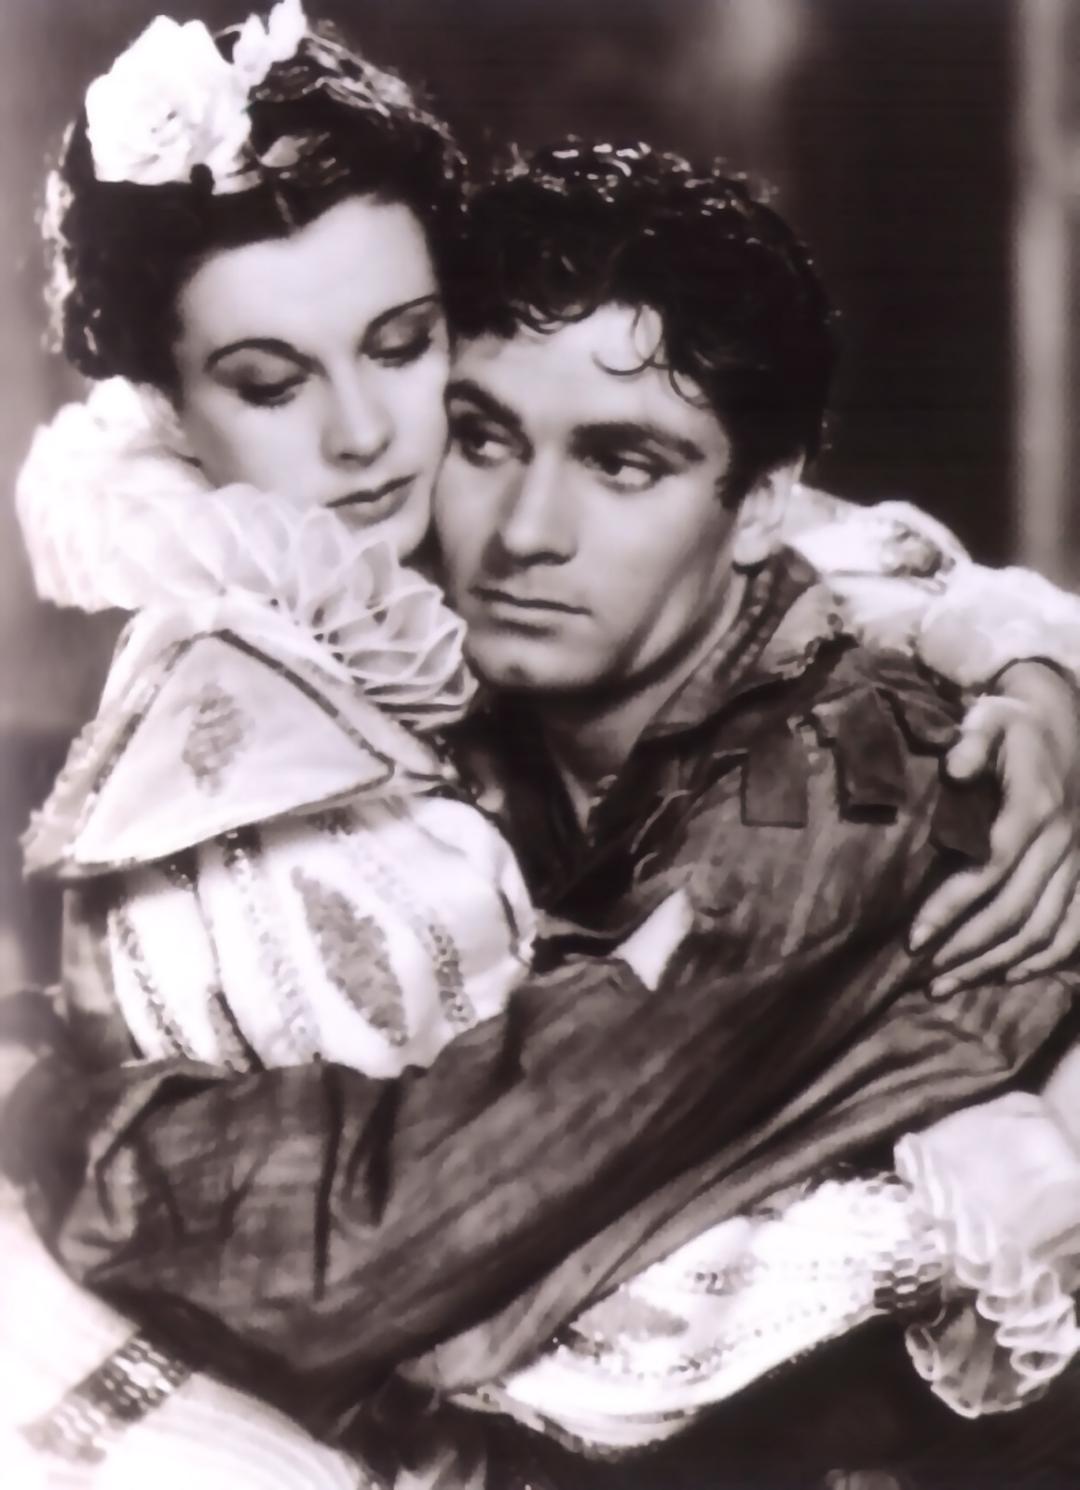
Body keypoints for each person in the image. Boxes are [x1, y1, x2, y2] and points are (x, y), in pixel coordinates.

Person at [10, 72, 1080, 1482]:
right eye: (484, 434)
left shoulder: (838, 793)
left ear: (761, 502)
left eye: (619, 465)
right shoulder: (418, 652)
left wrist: (49, 1117)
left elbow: (395, 1274)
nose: (523, 531)